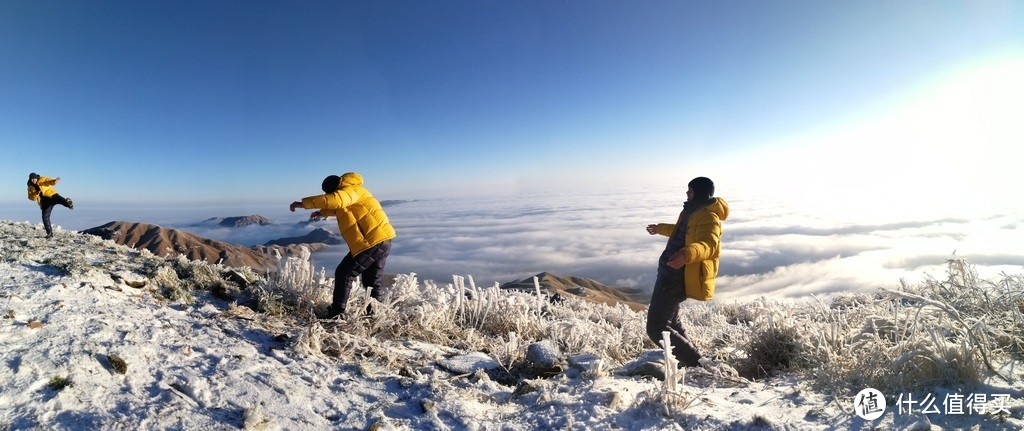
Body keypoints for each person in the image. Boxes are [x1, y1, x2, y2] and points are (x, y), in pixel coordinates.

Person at [644, 176, 729, 367]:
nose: (687, 193)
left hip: (677, 275)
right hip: (669, 270)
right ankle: (695, 360)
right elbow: (682, 231)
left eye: (690, 190)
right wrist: (660, 228)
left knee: (656, 327)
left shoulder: (709, 216)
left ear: (699, 192)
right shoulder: (692, 211)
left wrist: (686, 254)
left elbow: (709, 244)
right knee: (671, 323)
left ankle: (697, 364)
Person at [290, 172, 396, 319]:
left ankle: (336, 314)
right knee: (371, 282)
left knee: (344, 273)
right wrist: (321, 212)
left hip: (371, 241)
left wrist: (303, 204)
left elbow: (337, 201)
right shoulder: (352, 191)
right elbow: (339, 207)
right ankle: (375, 317)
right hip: (382, 240)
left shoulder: (351, 190)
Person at [26, 172, 74, 238]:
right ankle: (49, 234)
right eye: (31, 179)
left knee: (61, 200)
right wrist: (36, 194)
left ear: (36, 178)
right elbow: (31, 197)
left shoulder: (42, 179)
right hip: (45, 202)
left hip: (51, 195)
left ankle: (69, 204)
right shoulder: (30, 187)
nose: (33, 180)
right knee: (45, 217)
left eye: (34, 178)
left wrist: (54, 181)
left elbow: (49, 181)